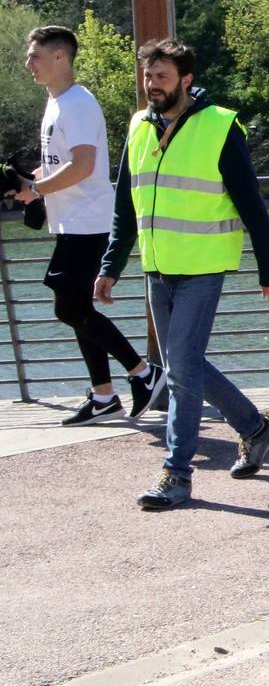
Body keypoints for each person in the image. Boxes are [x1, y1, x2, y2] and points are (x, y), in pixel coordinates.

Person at [96, 39, 269, 510]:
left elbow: (252, 206)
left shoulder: (220, 126)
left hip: (203, 267)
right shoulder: (139, 127)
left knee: (180, 368)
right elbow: (126, 204)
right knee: (185, 364)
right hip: (157, 268)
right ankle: (255, 428)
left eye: (161, 77)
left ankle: (176, 473)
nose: (151, 86)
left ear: (185, 79)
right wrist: (110, 267)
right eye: (147, 77)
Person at [14, 26, 166, 425]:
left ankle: (144, 374)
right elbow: (65, 160)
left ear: (60, 57)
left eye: (36, 56)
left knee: (69, 306)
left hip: (89, 223)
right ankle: (103, 397)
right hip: (72, 222)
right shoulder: (57, 103)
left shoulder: (77, 104)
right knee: (77, 308)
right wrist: (34, 179)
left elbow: (82, 167)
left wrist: (36, 189)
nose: (29, 63)